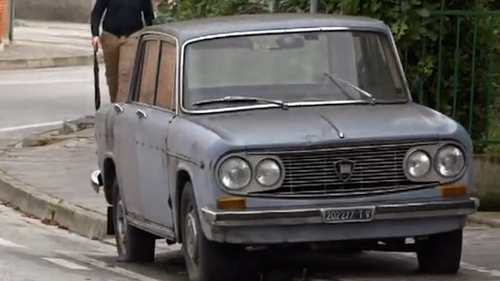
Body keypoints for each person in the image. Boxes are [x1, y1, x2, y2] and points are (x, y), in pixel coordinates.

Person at [90, 0, 155, 103]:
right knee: (112, 76)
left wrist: (151, 35)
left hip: (132, 35)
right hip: (110, 36)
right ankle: (115, 103)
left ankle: (121, 107)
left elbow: (148, 15)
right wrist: (95, 34)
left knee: (126, 73)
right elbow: (97, 12)